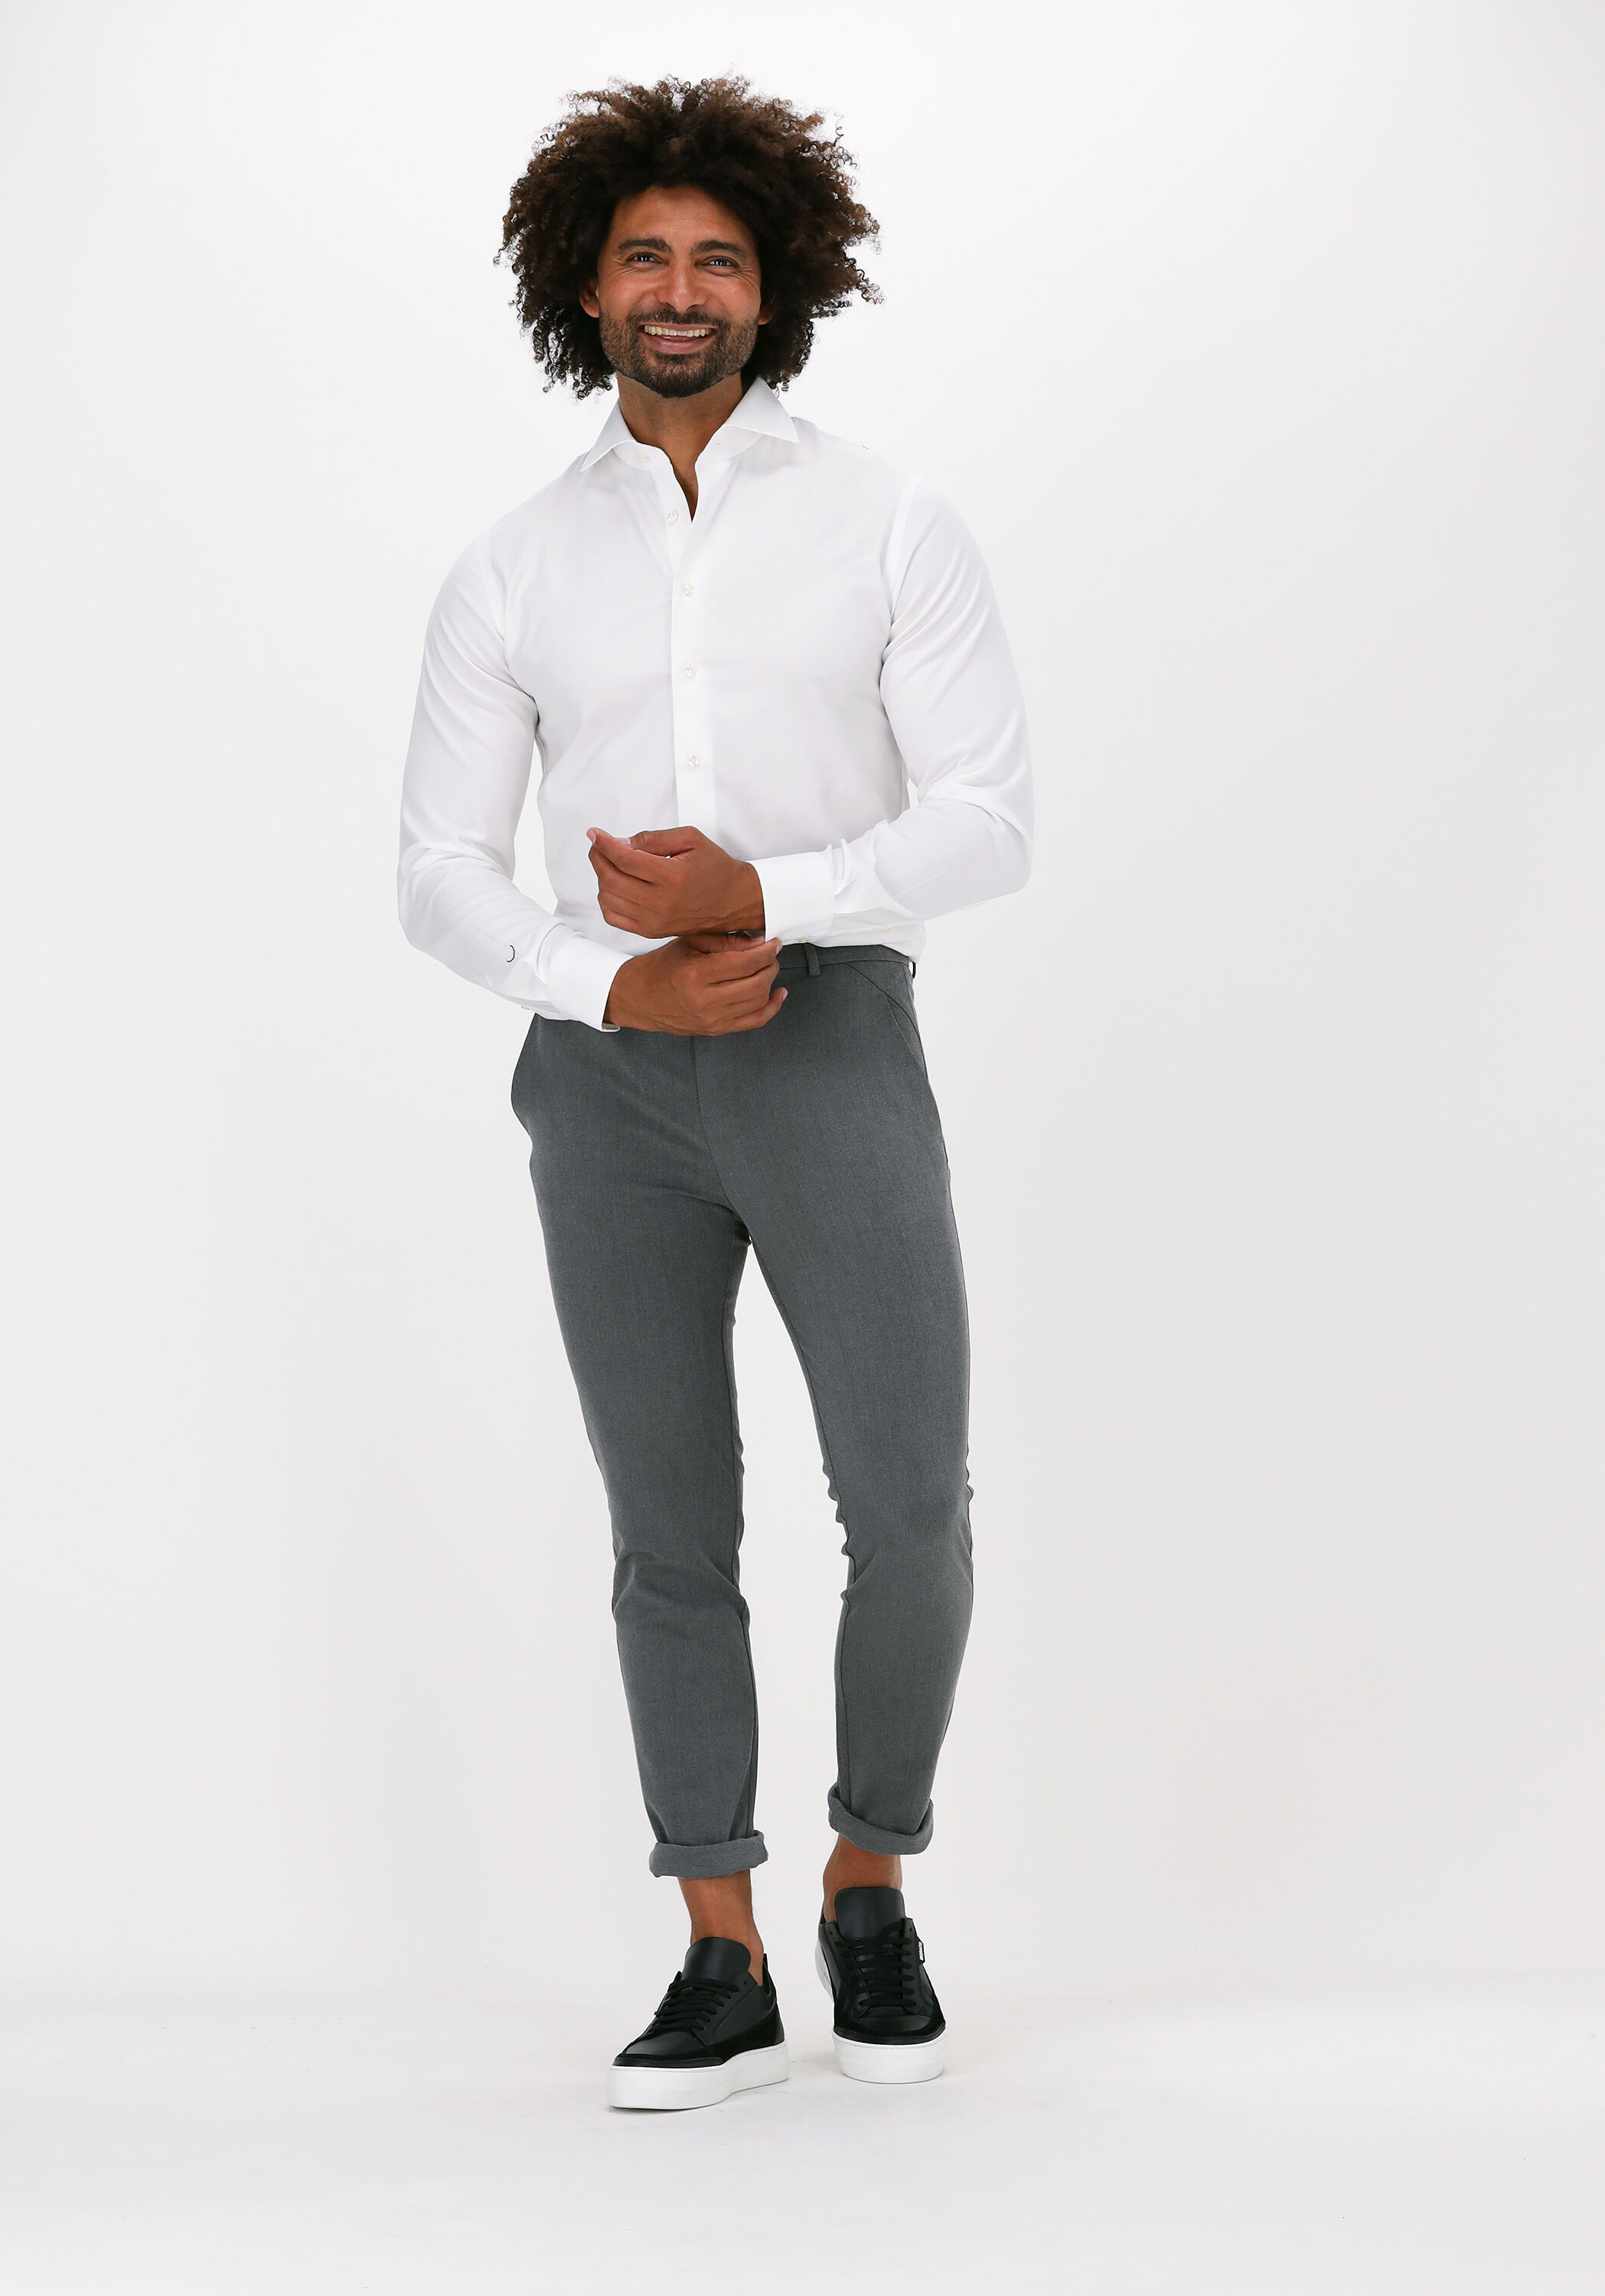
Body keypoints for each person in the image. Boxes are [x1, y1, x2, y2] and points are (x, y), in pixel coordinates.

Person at [398, 76, 1032, 2112]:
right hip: (608, 1088)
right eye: (645, 256)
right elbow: (436, 871)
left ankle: (868, 1879)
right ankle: (720, 1944)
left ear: (775, 288)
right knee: (668, 1529)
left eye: (720, 259)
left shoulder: (888, 522)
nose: (681, 289)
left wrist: (765, 895)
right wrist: (616, 985)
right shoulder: (512, 569)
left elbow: (991, 819)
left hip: (831, 1040)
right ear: (585, 286)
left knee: (910, 1507)